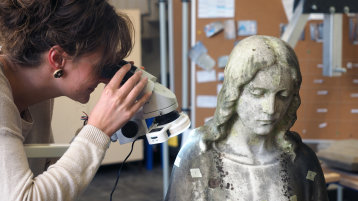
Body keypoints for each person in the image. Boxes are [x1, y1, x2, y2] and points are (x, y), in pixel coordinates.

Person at [0, 0, 151, 200]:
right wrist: (97, 130)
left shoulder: (38, 94)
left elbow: (47, 175)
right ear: (58, 59)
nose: (104, 76)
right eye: (101, 65)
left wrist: (96, 128)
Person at [165, 35, 328, 201]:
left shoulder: (303, 160)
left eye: (282, 95)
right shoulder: (197, 157)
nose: (270, 109)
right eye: (258, 93)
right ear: (234, 92)